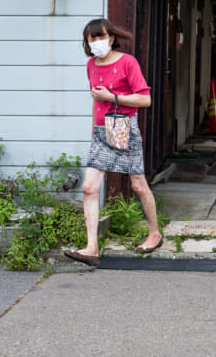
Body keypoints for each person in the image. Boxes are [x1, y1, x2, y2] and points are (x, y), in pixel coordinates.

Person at [63, 18, 163, 266]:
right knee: (89, 187)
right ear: (87, 42)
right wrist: (93, 132)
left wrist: (113, 97)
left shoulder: (128, 62)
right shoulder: (91, 65)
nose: (97, 42)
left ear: (112, 37)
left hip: (124, 128)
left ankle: (155, 233)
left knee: (138, 184)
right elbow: (97, 102)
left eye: (101, 37)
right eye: (92, 38)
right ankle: (91, 248)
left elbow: (145, 100)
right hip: (100, 132)